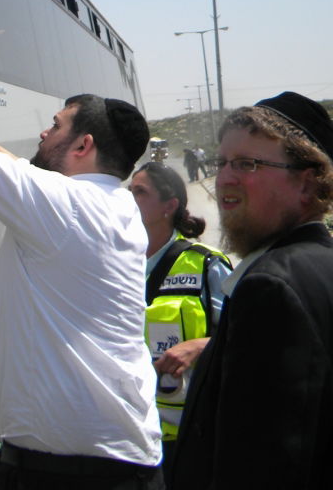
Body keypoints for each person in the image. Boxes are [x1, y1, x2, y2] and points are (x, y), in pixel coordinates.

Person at [0, 41, 163, 490]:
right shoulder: (109, 204)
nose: (43, 133)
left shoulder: (65, 205)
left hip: (70, 477)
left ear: (83, 143)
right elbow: (10, 163)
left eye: (54, 126)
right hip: (102, 468)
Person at [169, 91, 333, 489]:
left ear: (308, 183)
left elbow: (259, 465)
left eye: (248, 164)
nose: (224, 177)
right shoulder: (317, 262)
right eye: (222, 162)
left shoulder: (270, 287)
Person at [129, 162, 232, 478]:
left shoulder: (205, 265)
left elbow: (249, 336)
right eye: (128, 190)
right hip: (129, 438)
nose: (128, 199)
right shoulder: (109, 263)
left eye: (139, 192)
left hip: (190, 439)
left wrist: (200, 346)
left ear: (169, 206)